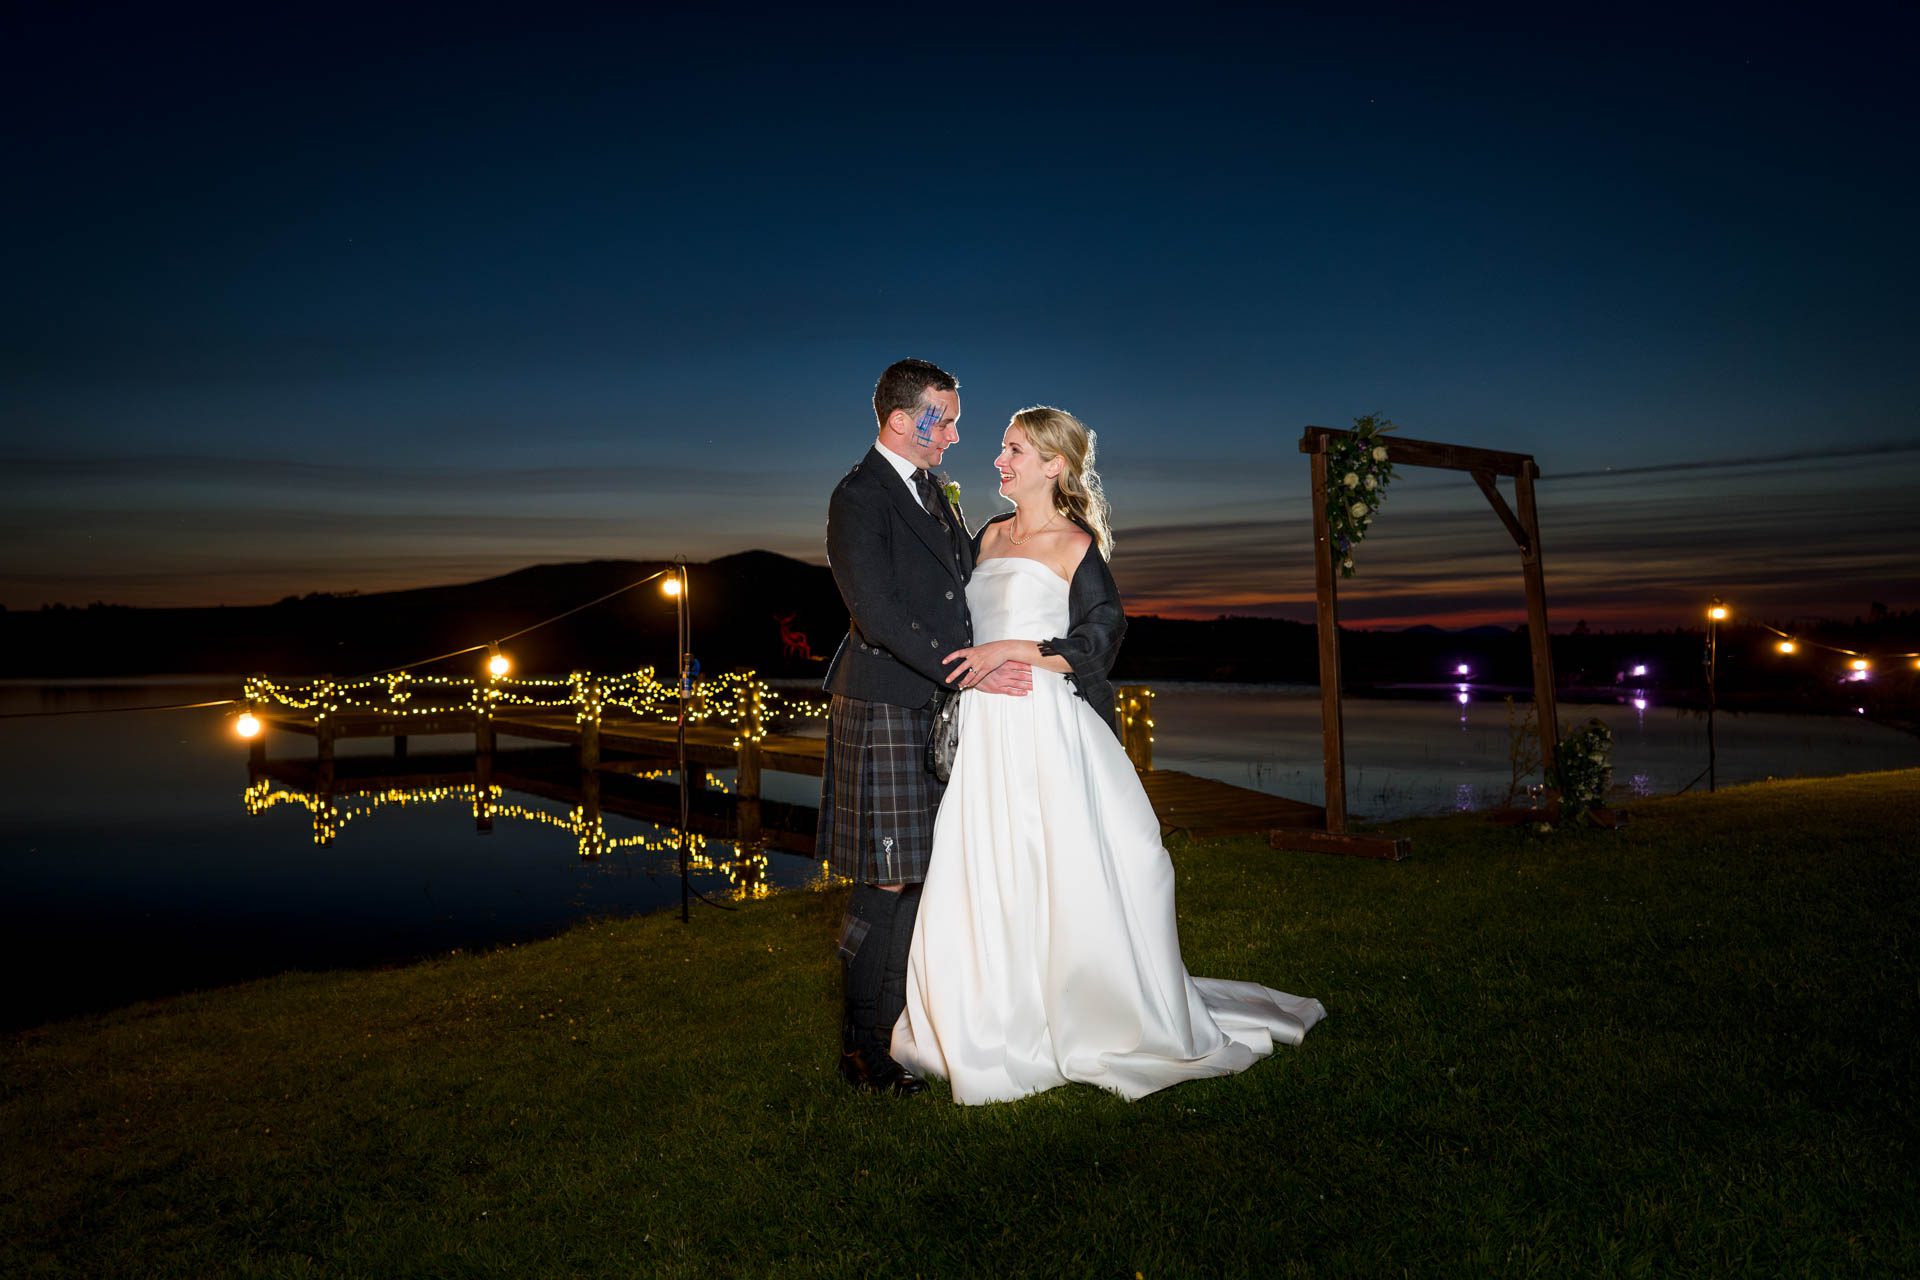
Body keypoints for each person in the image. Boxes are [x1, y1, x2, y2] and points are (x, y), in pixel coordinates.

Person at [891, 406, 1326, 1104]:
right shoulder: (988, 536)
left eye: (1015, 451)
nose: (999, 461)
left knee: (1058, 865)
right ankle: (982, 1014)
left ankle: (1081, 1007)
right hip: (984, 727)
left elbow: (1101, 638)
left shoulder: (1074, 544)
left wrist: (1016, 652)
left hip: (1041, 728)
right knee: (982, 865)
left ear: (1054, 464)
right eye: (1003, 449)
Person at [819, 358, 1032, 1095]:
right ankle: (861, 1052)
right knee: (885, 880)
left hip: (931, 704)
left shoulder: (937, 494)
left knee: (919, 879)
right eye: (945, 417)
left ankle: (899, 1030)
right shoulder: (860, 496)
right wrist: (967, 669)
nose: (957, 432)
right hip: (882, 701)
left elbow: (961, 589)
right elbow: (876, 613)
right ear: (903, 421)